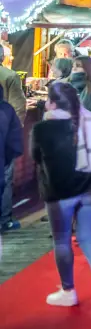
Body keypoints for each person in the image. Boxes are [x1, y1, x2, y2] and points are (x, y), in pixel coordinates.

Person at [31, 83, 91, 311]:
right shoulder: (89, 119)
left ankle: (68, 291)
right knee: (87, 237)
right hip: (89, 189)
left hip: (59, 194)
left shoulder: (42, 129)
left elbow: (35, 157)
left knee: (62, 240)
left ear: (52, 103)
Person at [0, 46, 26, 234]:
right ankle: (5, 219)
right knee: (5, 179)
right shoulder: (9, 75)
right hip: (4, 136)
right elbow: (19, 108)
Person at [0, 87, 23, 244]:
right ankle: (5, 220)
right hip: (4, 158)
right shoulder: (7, 109)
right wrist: (10, 156)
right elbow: (14, 134)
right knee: (5, 185)